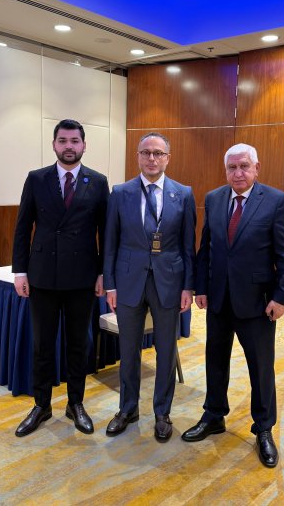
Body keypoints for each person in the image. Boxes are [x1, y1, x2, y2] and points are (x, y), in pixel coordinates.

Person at [182, 143, 284, 468]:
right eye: (232, 167)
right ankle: (214, 415)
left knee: (261, 367)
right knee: (215, 360)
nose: (238, 173)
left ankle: (264, 428)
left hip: (258, 303)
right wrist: (202, 287)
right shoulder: (215, 198)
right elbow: (206, 248)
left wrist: (281, 297)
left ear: (256, 168)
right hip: (218, 299)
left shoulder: (275, 200)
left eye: (244, 166)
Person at [12, 119, 109, 437]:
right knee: (42, 345)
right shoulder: (36, 178)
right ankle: (41, 405)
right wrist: (20, 271)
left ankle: (75, 403)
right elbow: (23, 227)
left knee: (78, 344)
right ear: (54, 144)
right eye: (63, 140)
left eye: (75, 141)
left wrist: (103, 273)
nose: (69, 146)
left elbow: (105, 232)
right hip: (42, 277)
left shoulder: (98, 182)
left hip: (82, 278)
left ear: (84, 145)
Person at [103, 132, 196, 442]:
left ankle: (162, 412)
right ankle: (127, 409)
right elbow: (110, 243)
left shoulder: (183, 194)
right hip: (128, 282)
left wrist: (188, 286)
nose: (152, 158)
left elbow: (188, 246)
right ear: (138, 157)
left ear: (167, 158)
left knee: (166, 350)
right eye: (146, 152)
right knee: (128, 350)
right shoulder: (120, 193)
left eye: (158, 153)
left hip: (169, 282)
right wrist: (111, 285)